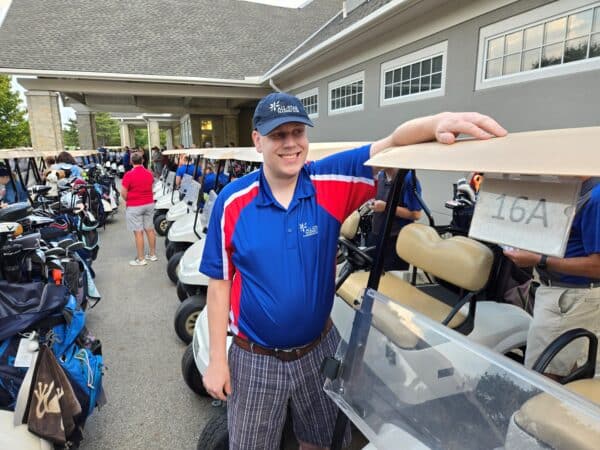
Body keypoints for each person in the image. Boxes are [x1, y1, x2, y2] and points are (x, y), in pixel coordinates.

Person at [199, 91, 506, 450]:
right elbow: (219, 284)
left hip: (319, 349)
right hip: (256, 357)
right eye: (278, 135)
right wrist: (218, 360)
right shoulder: (233, 202)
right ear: (257, 140)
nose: (290, 144)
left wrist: (437, 121)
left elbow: (391, 143)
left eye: (297, 132)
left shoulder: (330, 180)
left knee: (323, 440)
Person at [504, 177, 600, 378]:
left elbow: (597, 266)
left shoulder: (595, 197)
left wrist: (539, 259)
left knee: (543, 378)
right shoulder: (570, 187)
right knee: (568, 368)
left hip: (571, 297)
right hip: (562, 294)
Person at [367, 168, 423, 271]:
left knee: (389, 281)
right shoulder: (380, 175)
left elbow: (416, 214)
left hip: (395, 240)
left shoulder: (408, 178)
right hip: (377, 234)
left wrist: (386, 207)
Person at [120, 152, 158, 266]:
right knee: (150, 229)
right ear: (142, 161)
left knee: (138, 232)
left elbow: (123, 193)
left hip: (134, 205)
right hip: (149, 204)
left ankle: (141, 259)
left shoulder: (128, 175)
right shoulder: (149, 173)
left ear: (131, 162)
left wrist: (130, 200)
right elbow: (151, 188)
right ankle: (152, 255)